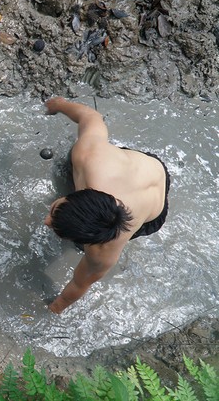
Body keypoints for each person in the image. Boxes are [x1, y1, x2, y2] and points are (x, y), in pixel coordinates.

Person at [43, 97, 170, 314]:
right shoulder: (91, 156)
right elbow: (89, 116)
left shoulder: (102, 253)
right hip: (147, 167)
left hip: (153, 208)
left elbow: (80, 283)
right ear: (76, 195)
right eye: (55, 211)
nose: (46, 221)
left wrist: (55, 308)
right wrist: (58, 105)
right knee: (73, 158)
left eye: (52, 221)